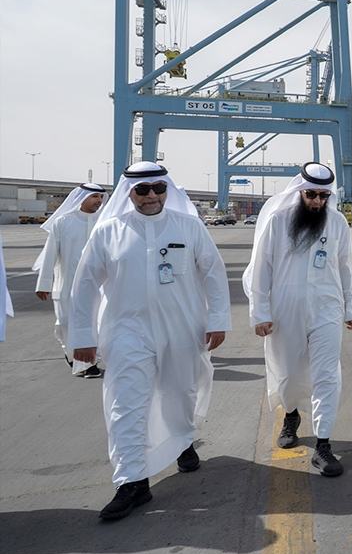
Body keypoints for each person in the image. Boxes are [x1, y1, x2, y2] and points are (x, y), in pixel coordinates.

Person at [70, 162, 230, 521]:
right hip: (127, 331)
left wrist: (218, 320)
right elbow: (84, 285)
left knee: (181, 393)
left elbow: (213, 274)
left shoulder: (189, 226)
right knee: (125, 403)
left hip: (183, 328)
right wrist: (82, 336)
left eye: (158, 188)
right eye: (142, 190)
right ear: (129, 194)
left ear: (167, 190)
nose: (151, 196)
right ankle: (132, 481)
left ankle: (182, 441)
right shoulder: (109, 231)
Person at [244, 162, 352, 477]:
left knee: (327, 376)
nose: (317, 202)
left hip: (327, 310)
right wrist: (260, 313)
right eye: (312, 195)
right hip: (286, 311)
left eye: (324, 196)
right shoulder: (278, 221)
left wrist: (351, 310)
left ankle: (323, 445)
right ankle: (291, 414)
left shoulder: (337, 223)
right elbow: (261, 269)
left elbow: (346, 268)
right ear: (299, 192)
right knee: (290, 375)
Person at [33, 182, 107, 377]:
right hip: (67, 284)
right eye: (95, 196)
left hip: (97, 285)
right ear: (81, 198)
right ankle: (72, 354)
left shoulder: (105, 222)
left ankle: (89, 364)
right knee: (66, 323)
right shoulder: (63, 222)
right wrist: (44, 284)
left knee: (95, 322)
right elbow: (50, 255)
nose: (99, 201)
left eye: (101, 197)